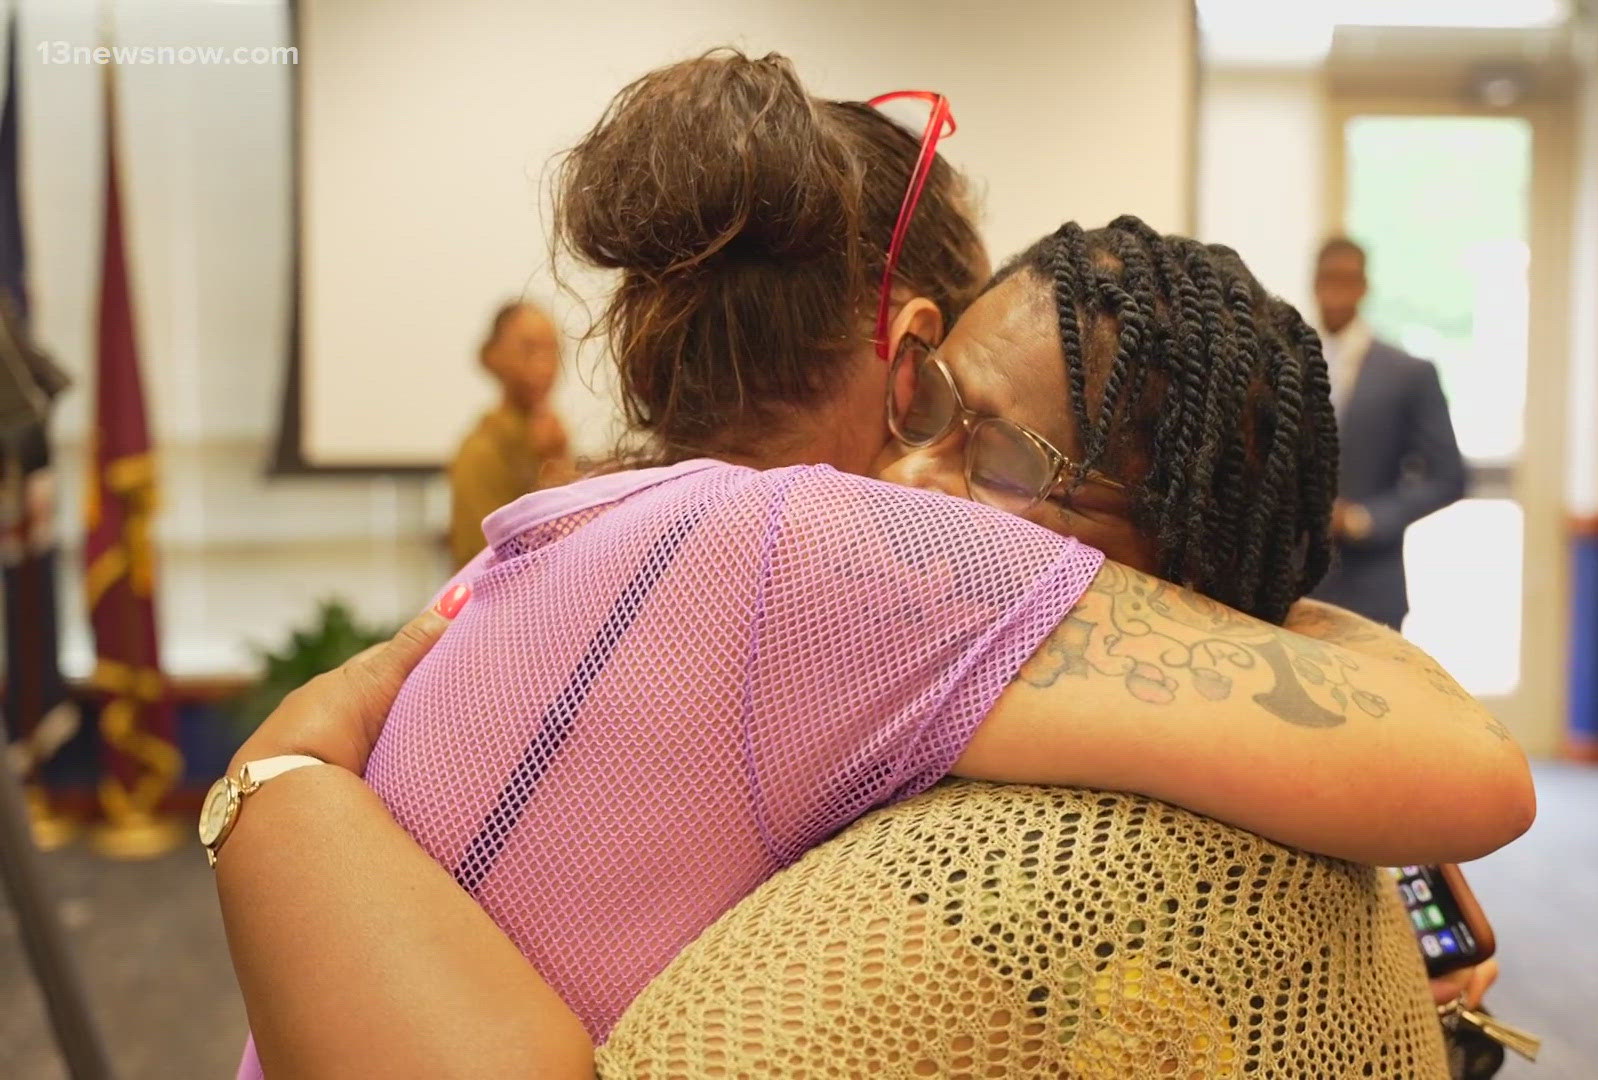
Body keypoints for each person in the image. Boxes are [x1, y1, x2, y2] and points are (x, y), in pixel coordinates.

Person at [213, 52, 1530, 1077]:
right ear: (902, 348)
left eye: (989, 449)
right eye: (937, 408)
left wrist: (277, 781)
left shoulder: (586, 534)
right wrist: (1230, 603)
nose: (926, 480)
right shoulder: (829, 547)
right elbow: (1467, 767)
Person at [1308, 236, 1466, 630]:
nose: (1337, 288)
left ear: (1364, 286)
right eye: (1328, 277)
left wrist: (1365, 519)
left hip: (1370, 581)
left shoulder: (1407, 373)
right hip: (1294, 584)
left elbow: (1449, 477)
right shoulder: (1288, 362)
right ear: (1314, 282)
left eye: (1348, 278)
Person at [447, 300, 571, 564]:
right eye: (529, 349)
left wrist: (557, 462)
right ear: (492, 356)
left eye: (553, 350)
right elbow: (484, 561)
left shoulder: (552, 438)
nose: (545, 364)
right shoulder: (480, 452)